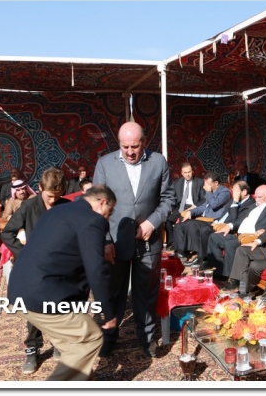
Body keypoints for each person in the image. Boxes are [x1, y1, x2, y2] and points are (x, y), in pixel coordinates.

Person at [7, 185, 118, 381]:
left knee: (72, 345)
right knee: (90, 338)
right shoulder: (92, 220)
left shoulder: (57, 210)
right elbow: (96, 269)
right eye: (111, 211)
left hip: (18, 291)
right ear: (102, 202)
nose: (109, 217)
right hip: (44, 294)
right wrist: (107, 313)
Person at [92, 120, 175, 358]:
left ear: (144, 142)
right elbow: (97, 205)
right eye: (125, 146)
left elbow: (169, 199)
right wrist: (105, 240)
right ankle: (109, 336)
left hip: (149, 241)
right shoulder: (105, 164)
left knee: (146, 292)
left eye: (135, 146)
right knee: (113, 291)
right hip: (114, 241)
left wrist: (151, 222)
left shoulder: (158, 162)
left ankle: (147, 336)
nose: (130, 152)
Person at [0, 166, 71, 374]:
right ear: (40, 188)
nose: (53, 200)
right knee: (34, 309)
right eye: (49, 196)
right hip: (34, 268)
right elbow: (7, 233)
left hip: (60, 266)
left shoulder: (66, 206)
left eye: (57, 196)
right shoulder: (29, 206)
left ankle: (58, 342)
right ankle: (32, 350)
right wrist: (23, 254)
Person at [206, 184, 266, 278]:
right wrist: (229, 226)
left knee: (230, 244)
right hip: (239, 235)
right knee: (214, 237)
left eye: (260, 197)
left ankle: (227, 275)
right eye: (256, 197)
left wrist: (264, 230)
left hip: (252, 237)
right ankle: (218, 269)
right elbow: (241, 219)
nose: (257, 199)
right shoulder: (253, 206)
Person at [184, 180, 254, 268]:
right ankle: (197, 254)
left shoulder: (250, 204)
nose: (232, 192)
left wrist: (235, 202)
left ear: (244, 192)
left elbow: (234, 220)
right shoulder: (233, 199)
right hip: (217, 223)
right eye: (232, 189)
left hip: (228, 228)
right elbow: (224, 214)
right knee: (192, 224)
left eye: (235, 190)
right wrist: (216, 221)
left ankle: (203, 259)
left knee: (205, 230)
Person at [173, 171, 231, 263]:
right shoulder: (210, 192)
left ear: (216, 183)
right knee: (180, 225)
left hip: (213, 220)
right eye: (205, 184)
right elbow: (203, 206)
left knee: (191, 224)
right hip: (203, 219)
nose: (205, 187)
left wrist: (208, 192)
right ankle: (182, 251)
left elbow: (214, 204)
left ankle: (200, 254)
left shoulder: (224, 192)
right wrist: (190, 212)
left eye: (209, 184)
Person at [164, 162, 205, 250]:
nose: (187, 174)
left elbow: (203, 200)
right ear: (182, 173)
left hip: (193, 207)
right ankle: (172, 242)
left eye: (189, 172)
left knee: (182, 222)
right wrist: (171, 209)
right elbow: (174, 198)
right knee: (167, 220)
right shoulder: (177, 183)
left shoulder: (200, 182)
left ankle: (183, 247)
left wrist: (194, 206)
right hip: (180, 207)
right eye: (185, 172)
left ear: (192, 171)